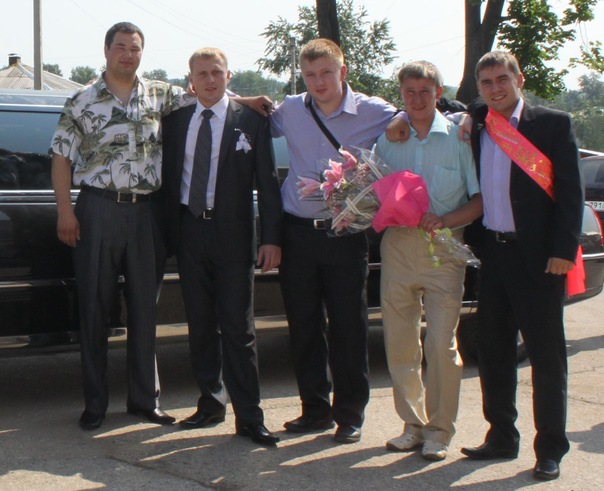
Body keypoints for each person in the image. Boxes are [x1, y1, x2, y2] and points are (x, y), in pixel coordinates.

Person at [50, 21, 195, 431]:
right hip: (97, 210)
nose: (128, 55)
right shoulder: (81, 101)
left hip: (147, 213)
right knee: (94, 309)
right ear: (106, 50)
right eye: (120, 47)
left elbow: (209, 97)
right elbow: (61, 158)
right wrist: (65, 212)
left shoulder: (161, 94)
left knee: (145, 310)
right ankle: (95, 404)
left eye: (134, 48)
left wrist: (252, 100)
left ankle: (144, 400)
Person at [460, 51, 583, 481]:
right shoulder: (480, 123)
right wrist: (472, 112)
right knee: (493, 351)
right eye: (487, 83)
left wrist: (564, 249)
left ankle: (550, 448)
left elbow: (571, 193)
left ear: (519, 79)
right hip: (493, 256)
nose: (495, 89)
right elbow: (453, 105)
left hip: (541, 259)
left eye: (502, 80)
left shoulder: (552, 124)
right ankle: (501, 436)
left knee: (546, 358)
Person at [270, 38, 397, 444]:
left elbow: (422, 110)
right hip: (297, 233)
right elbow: (247, 117)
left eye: (326, 72)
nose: (319, 81)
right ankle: (314, 411)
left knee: (348, 327)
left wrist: (464, 119)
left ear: (343, 71)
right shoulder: (291, 109)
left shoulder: (373, 111)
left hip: (345, 234)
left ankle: (350, 415)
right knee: (304, 327)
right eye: (310, 75)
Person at [161, 48, 283, 445]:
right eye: (202, 74)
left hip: (234, 235)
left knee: (238, 329)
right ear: (191, 80)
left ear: (228, 76)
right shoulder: (175, 120)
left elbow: (268, 182)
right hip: (190, 232)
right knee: (200, 325)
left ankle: (249, 417)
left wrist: (271, 238)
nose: (210, 80)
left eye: (217, 72)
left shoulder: (251, 120)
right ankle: (210, 403)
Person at [374, 61, 482, 461]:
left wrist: (447, 220)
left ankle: (440, 429)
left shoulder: (459, 137)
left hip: (444, 249)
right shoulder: (389, 140)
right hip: (398, 248)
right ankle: (413, 425)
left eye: (425, 91)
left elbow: (479, 199)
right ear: (401, 95)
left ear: (439, 93)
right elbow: (371, 193)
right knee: (400, 340)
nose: (417, 99)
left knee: (440, 343)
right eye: (409, 92)